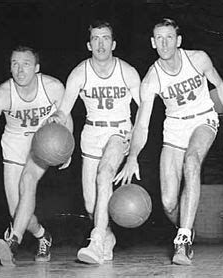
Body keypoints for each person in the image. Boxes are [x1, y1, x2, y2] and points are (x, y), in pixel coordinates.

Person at [114, 18, 223, 265]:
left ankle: (182, 239)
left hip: (203, 120)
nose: (164, 43)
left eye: (169, 37)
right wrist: (132, 157)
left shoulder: (198, 59)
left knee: (192, 162)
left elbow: (221, 86)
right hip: (174, 129)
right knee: (169, 203)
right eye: (159, 38)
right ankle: (186, 227)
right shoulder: (152, 78)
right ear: (153, 42)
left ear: (178, 40)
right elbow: (142, 123)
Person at [0, 46, 72, 266]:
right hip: (14, 146)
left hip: (42, 144)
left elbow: (66, 119)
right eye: (15, 63)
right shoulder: (2, 94)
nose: (20, 70)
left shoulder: (53, 87)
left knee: (28, 181)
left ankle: (12, 242)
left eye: (26, 64)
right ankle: (43, 236)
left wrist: (66, 147)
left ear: (37, 68)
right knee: (17, 213)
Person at [48, 20, 141, 264]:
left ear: (114, 43)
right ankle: (108, 236)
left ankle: (96, 239)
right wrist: (54, 121)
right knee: (91, 205)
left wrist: (136, 148)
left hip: (119, 131)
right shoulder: (80, 73)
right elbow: (64, 110)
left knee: (105, 174)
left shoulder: (127, 71)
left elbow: (146, 110)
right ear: (89, 45)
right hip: (91, 134)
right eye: (96, 39)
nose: (101, 43)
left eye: (106, 38)